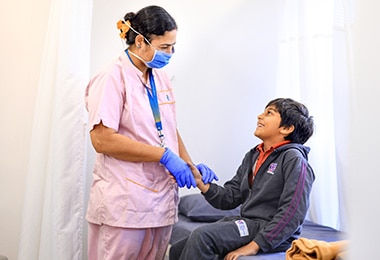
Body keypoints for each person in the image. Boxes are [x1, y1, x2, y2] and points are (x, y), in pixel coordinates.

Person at [84, 5, 217, 260]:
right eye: (165, 47)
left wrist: (189, 165)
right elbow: (102, 139)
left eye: (173, 46)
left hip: (161, 203)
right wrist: (165, 156)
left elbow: (167, 128)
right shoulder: (112, 76)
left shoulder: (160, 77)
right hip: (126, 203)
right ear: (140, 41)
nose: (170, 53)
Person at [169, 97, 315, 260]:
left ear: (287, 128)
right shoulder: (254, 155)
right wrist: (200, 182)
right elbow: (229, 198)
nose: (259, 116)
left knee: (202, 237)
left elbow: (293, 213)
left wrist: (253, 246)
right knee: (177, 250)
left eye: (269, 113)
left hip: (272, 233)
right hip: (247, 223)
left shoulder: (294, 160)